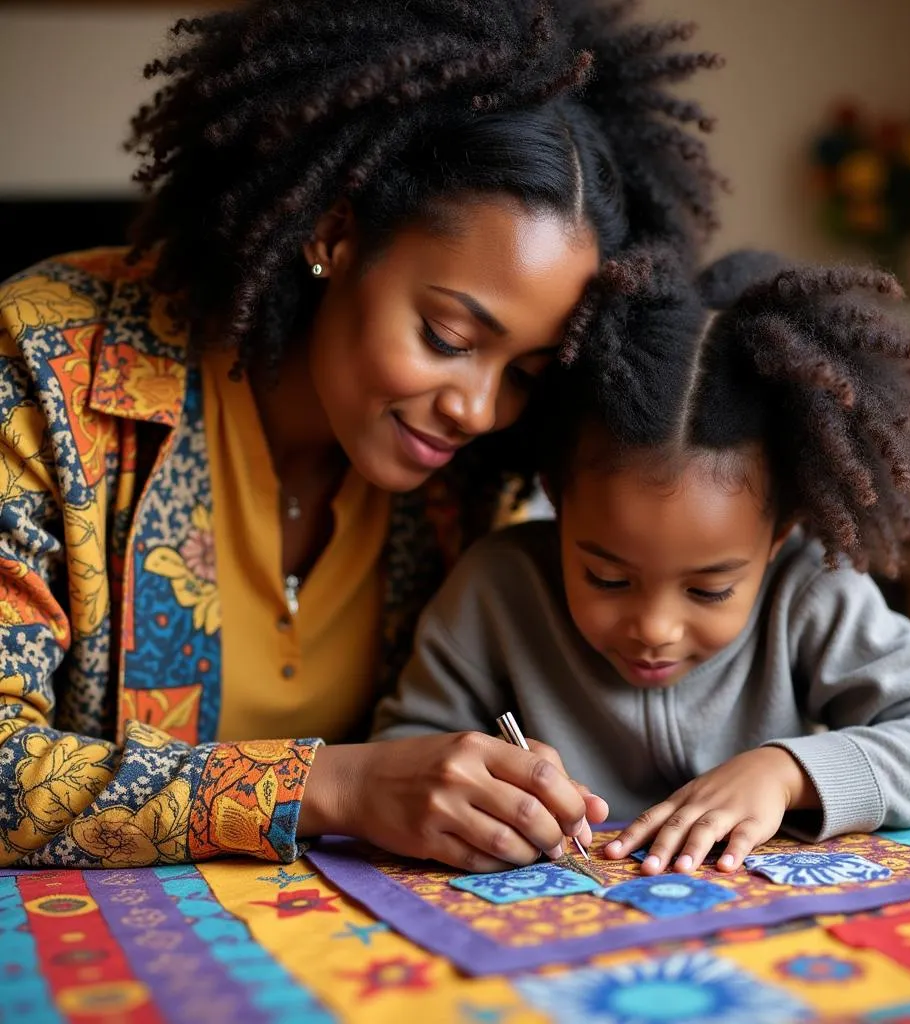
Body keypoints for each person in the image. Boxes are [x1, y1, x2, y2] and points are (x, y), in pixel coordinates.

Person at [0, 0, 722, 869]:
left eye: (525, 373)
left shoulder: (479, 477)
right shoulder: (48, 366)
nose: (479, 409)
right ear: (335, 233)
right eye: (449, 339)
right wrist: (335, 788)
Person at [372, 248, 910, 876]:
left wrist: (788, 772)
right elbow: (403, 756)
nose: (655, 628)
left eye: (709, 590)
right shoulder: (497, 590)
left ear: (777, 536)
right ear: (558, 501)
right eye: (608, 577)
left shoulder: (811, 593)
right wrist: (483, 790)